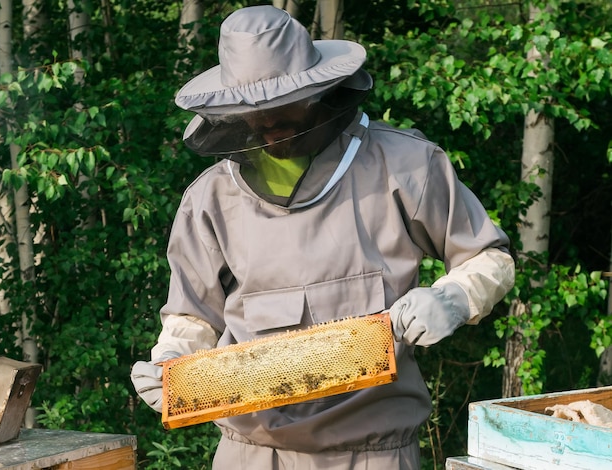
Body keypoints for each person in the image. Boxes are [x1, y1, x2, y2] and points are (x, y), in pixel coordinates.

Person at [131, 5, 515, 469]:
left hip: (375, 453)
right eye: (256, 114)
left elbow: (489, 258)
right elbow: (193, 317)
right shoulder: (211, 198)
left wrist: (452, 297)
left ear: (317, 90)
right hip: (251, 454)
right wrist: (170, 362)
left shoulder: (405, 164)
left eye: (283, 108)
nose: (271, 124)